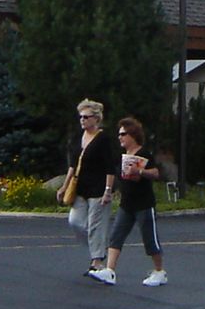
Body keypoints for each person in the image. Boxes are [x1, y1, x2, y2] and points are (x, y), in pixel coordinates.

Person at [97, 116, 167, 286]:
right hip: (126, 203)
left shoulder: (143, 153)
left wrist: (140, 171)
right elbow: (114, 174)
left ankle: (159, 271)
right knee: (116, 236)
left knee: (149, 238)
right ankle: (110, 270)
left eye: (123, 134)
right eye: (119, 134)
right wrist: (110, 191)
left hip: (144, 204)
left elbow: (156, 173)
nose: (120, 137)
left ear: (132, 135)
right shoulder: (123, 156)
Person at [64, 99, 119, 279]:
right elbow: (73, 165)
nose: (82, 120)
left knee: (96, 224)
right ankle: (99, 247)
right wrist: (64, 186)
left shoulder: (103, 139)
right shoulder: (78, 137)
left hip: (98, 187)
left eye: (86, 117)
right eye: (81, 117)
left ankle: (97, 262)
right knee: (75, 221)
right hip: (80, 187)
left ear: (96, 119)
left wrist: (108, 190)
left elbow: (110, 166)